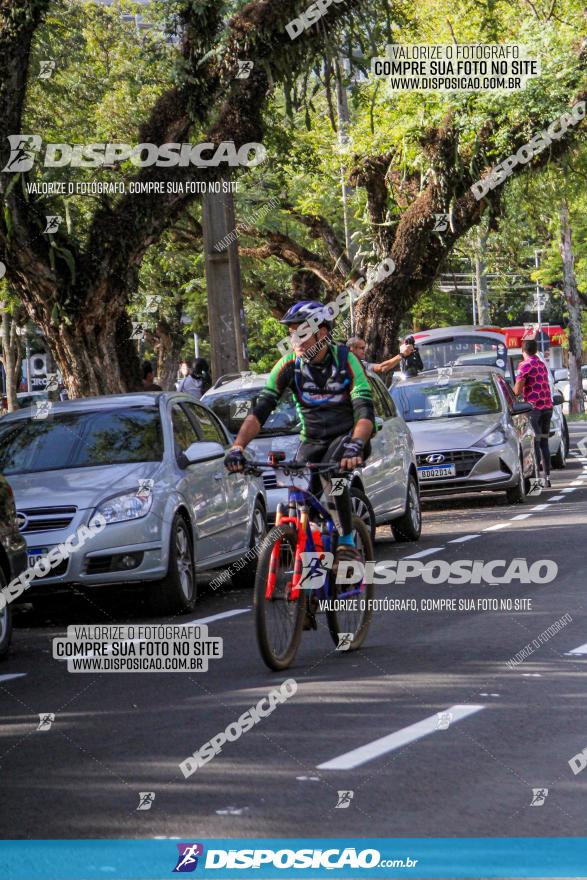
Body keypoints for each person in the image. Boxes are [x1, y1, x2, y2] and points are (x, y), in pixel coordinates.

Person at [225, 300, 375, 584]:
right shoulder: (288, 365)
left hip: (349, 438)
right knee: (299, 495)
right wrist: (237, 447)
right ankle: (309, 584)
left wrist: (357, 444)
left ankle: (346, 543)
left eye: (302, 334)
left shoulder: (346, 360)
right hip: (312, 440)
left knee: (334, 477)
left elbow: (365, 411)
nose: (295, 340)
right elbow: (259, 413)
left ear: (322, 335)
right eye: (292, 334)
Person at [513, 339, 553, 488]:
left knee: (534, 443)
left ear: (523, 351)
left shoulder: (525, 365)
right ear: (535, 351)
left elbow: (517, 391)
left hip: (534, 409)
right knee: (544, 442)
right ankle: (547, 477)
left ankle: (537, 481)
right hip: (547, 408)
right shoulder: (542, 364)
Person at [347, 336, 416, 375]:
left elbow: (384, 368)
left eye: (364, 348)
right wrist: (402, 354)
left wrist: (403, 355)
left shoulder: (359, 363)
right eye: (362, 348)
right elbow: (381, 367)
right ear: (352, 349)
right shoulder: (354, 365)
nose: (364, 351)